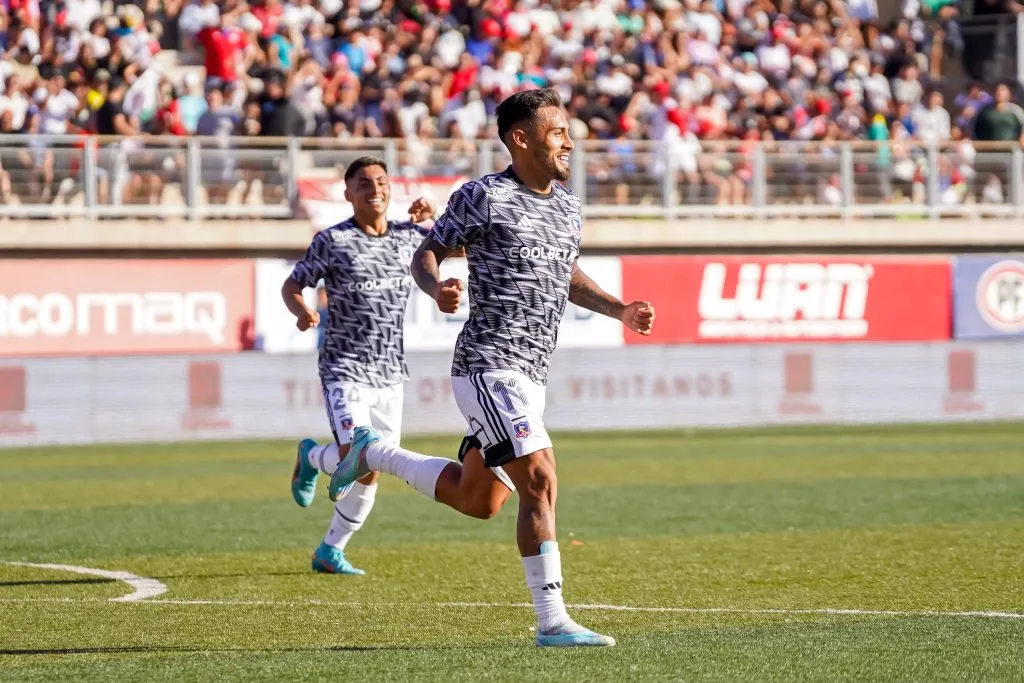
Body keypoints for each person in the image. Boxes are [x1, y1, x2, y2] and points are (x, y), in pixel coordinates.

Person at [327, 88, 656, 647]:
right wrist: (437, 289)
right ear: (520, 139)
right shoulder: (484, 196)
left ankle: (371, 451)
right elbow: (426, 252)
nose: (569, 141)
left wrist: (618, 308)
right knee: (542, 480)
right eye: (558, 132)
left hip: (532, 374)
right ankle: (552, 622)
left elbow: (566, 275)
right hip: (487, 365)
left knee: (477, 499)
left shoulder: (568, 206)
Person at [282, 156, 466, 575]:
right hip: (344, 366)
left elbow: (463, 246)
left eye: (381, 181)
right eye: (363, 183)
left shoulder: (408, 237)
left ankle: (330, 547)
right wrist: (302, 310)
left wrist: (436, 216)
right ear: (348, 194)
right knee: (356, 452)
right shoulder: (332, 241)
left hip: (389, 370)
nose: (375, 189)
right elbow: (293, 284)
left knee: (372, 467)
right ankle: (314, 458)